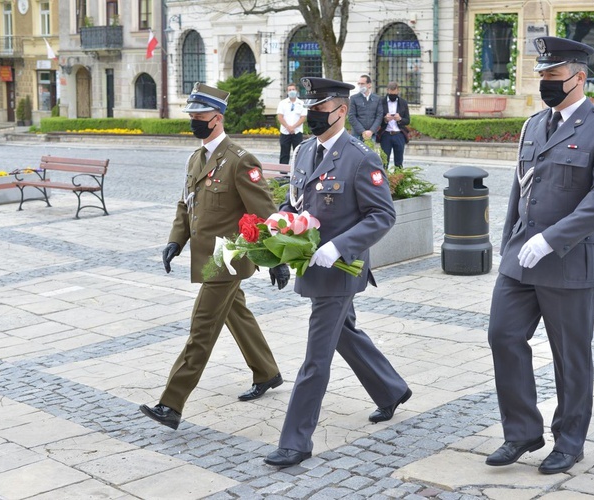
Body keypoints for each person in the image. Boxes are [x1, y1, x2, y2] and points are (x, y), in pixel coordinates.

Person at [485, 37, 594, 475]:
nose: (546, 82)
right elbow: (520, 187)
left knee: (570, 356)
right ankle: (522, 431)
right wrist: (510, 238)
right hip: (522, 259)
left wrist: (552, 238)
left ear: (579, 77)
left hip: (569, 261)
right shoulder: (533, 125)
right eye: (543, 75)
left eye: (554, 75)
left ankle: (569, 441)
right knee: (502, 336)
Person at [264, 76, 412, 467]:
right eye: (310, 110)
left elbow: (383, 214)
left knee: (316, 356)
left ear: (341, 111)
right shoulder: (307, 149)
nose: (312, 115)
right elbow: (297, 200)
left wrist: (339, 245)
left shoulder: (360, 156)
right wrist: (280, 226)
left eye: (318, 109)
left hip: (339, 269)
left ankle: (296, 440)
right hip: (312, 263)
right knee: (343, 333)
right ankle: (390, 389)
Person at [140, 82, 291, 430]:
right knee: (235, 312)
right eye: (191, 114)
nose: (193, 120)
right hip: (206, 255)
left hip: (228, 258)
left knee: (201, 328)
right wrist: (176, 241)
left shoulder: (240, 161)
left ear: (217, 118)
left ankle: (171, 404)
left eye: (199, 115)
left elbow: (266, 213)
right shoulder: (197, 157)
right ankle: (267, 372)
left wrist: (278, 258)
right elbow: (186, 204)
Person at [377, 81, 411, 168]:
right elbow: (376, 118)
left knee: (399, 162)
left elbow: (407, 120)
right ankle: (384, 179)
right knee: (384, 161)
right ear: (387, 91)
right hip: (386, 135)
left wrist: (399, 119)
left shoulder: (403, 103)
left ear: (398, 91)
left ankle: (398, 180)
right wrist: (385, 119)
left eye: (394, 93)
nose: (392, 96)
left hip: (399, 134)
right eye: (390, 94)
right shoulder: (381, 102)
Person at [277, 82, 308, 164]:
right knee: (284, 154)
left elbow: (303, 117)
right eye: (289, 90)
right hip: (285, 132)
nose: (291, 91)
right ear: (287, 92)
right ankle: (283, 174)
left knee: (298, 154)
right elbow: (280, 117)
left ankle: (297, 173)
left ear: (296, 91)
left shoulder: (301, 103)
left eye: (293, 89)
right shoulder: (282, 103)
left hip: (297, 132)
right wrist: (288, 127)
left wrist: (293, 127)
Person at [347, 74, 383, 142]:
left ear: (369, 85)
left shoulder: (377, 99)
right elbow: (351, 117)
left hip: (371, 135)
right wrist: (363, 132)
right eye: (359, 83)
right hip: (357, 135)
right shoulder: (354, 98)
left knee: (370, 152)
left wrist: (371, 131)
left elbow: (379, 116)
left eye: (362, 83)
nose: (360, 86)